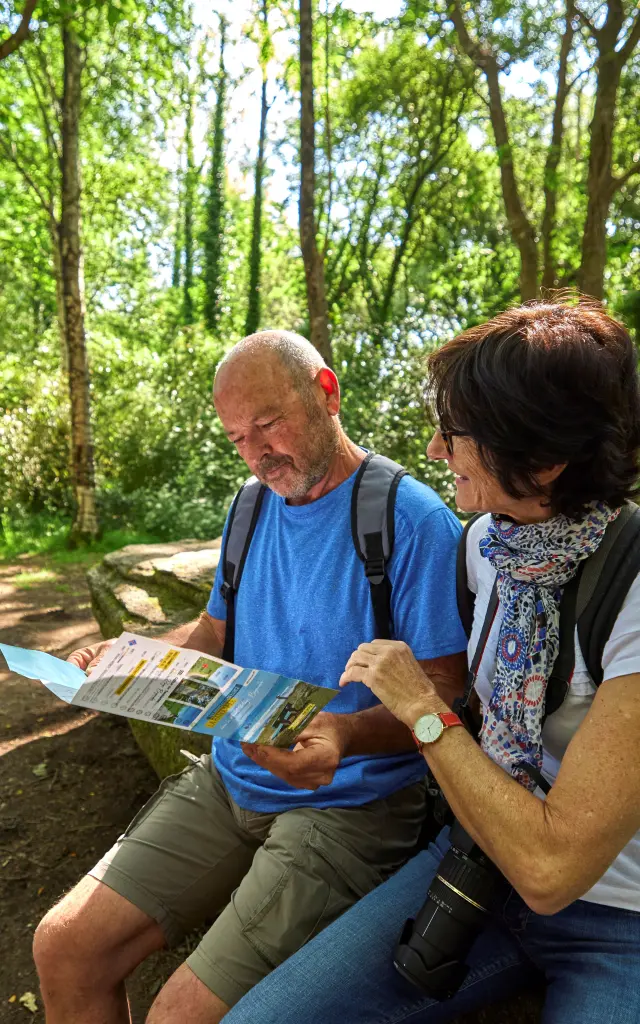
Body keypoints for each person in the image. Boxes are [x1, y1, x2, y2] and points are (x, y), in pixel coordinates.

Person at [221, 300, 640, 1024]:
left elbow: (551, 870)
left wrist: (420, 705)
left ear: (543, 458)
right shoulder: (485, 548)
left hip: (618, 920)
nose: (438, 450)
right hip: (475, 865)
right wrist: (345, 734)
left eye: (458, 433)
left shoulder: (631, 586)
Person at [33, 330, 468, 1023]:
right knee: (64, 948)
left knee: (179, 1015)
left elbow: (451, 693)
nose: (257, 452)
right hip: (232, 773)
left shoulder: (409, 520)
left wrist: (347, 735)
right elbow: (214, 633)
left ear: (326, 393)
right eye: (238, 437)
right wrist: (132, 657)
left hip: (352, 805)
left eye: (268, 424)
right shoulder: (250, 506)